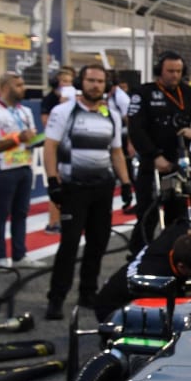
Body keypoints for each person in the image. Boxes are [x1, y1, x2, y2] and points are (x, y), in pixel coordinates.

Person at [43, 63, 132, 320]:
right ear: (81, 83)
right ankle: (56, 298)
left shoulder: (111, 114)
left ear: (106, 85)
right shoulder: (64, 111)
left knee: (97, 243)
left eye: (100, 81)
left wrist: (125, 183)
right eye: (90, 80)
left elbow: (116, 152)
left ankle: (88, 292)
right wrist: (53, 181)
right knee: (69, 245)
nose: (95, 85)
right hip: (74, 189)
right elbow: (50, 147)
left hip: (102, 189)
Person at [126, 51, 191, 239]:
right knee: (147, 214)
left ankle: (175, 253)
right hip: (152, 164)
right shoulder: (143, 92)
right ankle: (139, 254)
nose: (175, 75)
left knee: (179, 217)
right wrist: (155, 156)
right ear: (160, 71)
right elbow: (136, 129)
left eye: (178, 71)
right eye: (170, 71)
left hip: (180, 163)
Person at [0, 71, 39, 269]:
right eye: (18, 85)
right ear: (4, 88)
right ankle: (0, 256)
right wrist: (18, 139)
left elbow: (31, 139)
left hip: (24, 165)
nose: (23, 88)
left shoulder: (24, 111)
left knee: (21, 212)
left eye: (23, 84)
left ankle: (20, 254)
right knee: (2, 212)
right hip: (2, 168)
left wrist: (36, 140)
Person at [39, 66, 76, 234]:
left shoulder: (75, 100)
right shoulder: (49, 100)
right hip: (57, 146)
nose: (67, 85)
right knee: (58, 183)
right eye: (64, 81)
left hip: (71, 146)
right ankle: (53, 222)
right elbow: (47, 124)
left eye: (70, 81)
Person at [111, 75, 136, 212]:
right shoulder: (107, 96)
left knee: (128, 171)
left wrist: (131, 143)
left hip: (124, 136)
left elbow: (131, 121)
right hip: (111, 136)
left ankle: (132, 201)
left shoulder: (121, 97)